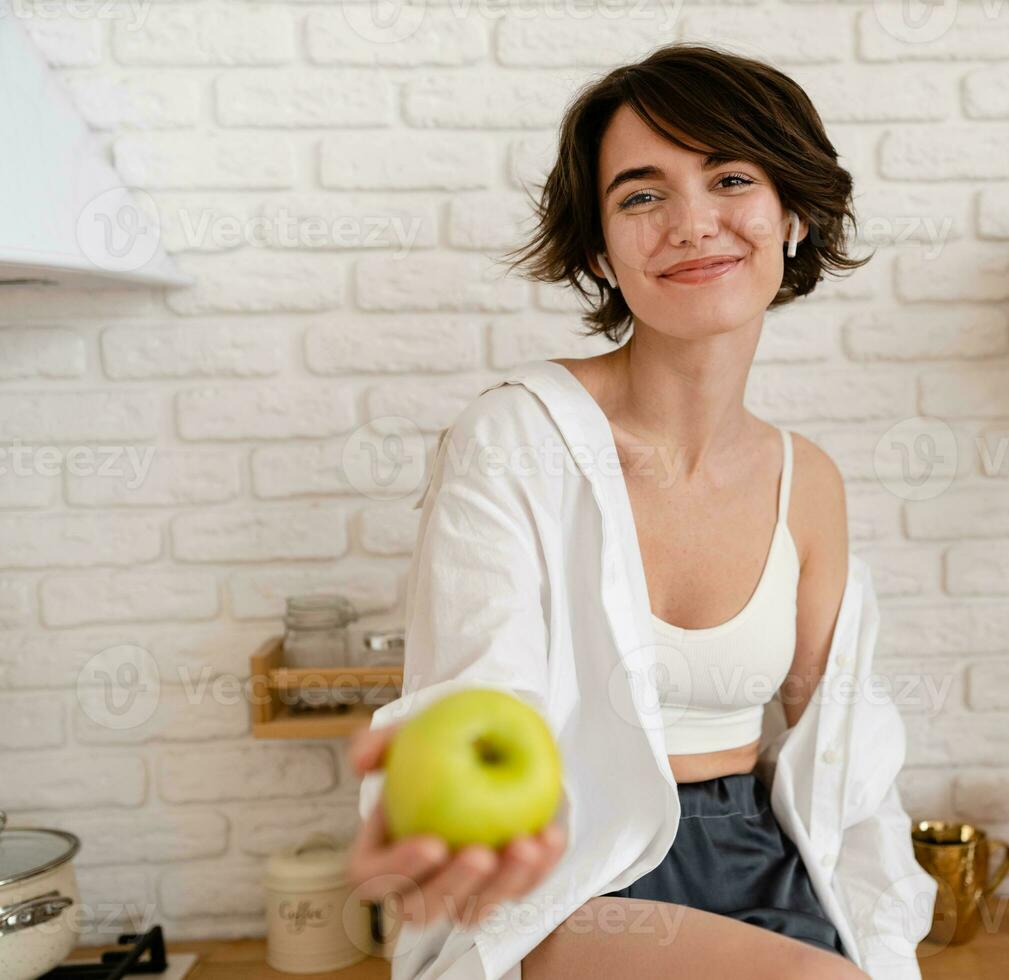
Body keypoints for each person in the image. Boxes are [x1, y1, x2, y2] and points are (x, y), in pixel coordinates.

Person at [346, 43, 928, 980]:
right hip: (571, 882)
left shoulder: (806, 479)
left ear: (794, 216)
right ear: (598, 251)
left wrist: (886, 939)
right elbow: (474, 703)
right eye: (642, 195)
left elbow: (845, 760)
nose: (693, 224)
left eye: (732, 177)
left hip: (759, 861)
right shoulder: (516, 437)